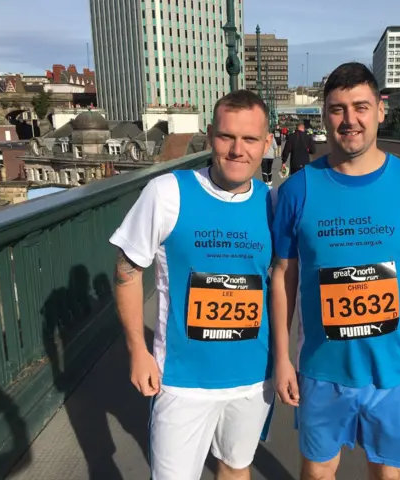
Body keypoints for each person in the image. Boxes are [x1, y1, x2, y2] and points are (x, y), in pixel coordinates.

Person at [271, 62, 400, 480]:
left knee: (387, 473)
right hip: (322, 368)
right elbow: (283, 275)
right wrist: (282, 358)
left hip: (395, 369)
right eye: (337, 109)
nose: (349, 120)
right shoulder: (297, 191)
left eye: (360, 106)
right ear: (324, 115)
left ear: (380, 109)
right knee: (319, 471)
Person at [110, 89, 276, 480]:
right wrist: (137, 349)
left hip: (253, 378)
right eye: (226, 137)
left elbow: (284, 286)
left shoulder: (274, 204)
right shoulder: (167, 193)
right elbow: (127, 271)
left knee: (236, 469)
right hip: (183, 382)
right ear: (209, 136)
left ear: (267, 144)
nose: (237, 150)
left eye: (250, 139)